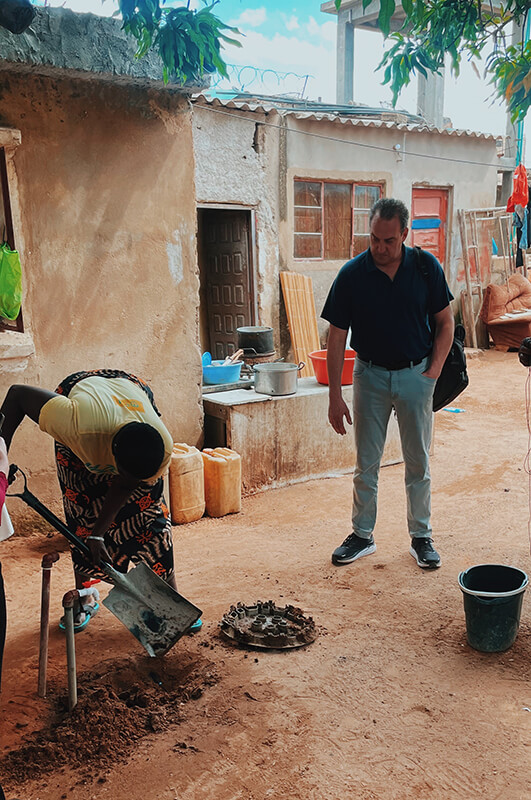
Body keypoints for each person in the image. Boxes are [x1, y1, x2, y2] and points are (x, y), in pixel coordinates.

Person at [0, 368, 198, 631]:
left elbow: (126, 485)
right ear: (112, 456)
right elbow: (17, 395)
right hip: (83, 394)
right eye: (123, 475)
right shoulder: (77, 426)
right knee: (82, 512)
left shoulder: (161, 448)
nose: (125, 483)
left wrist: (100, 535)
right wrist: (0, 461)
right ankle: (83, 598)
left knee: (151, 519)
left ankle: (170, 601)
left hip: (130, 390)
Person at [322, 198, 454, 569]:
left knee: (418, 461)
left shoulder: (426, 268)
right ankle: (362, 535)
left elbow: (445, 323)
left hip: (416, 375)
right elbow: (336, 337)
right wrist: (335, 394)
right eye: (374, 239)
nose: (380, 248)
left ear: (404, 235)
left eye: (389, 241)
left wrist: (434, 371)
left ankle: (421, 536)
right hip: (370, 376)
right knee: (366, 462)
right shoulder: (352, 275)